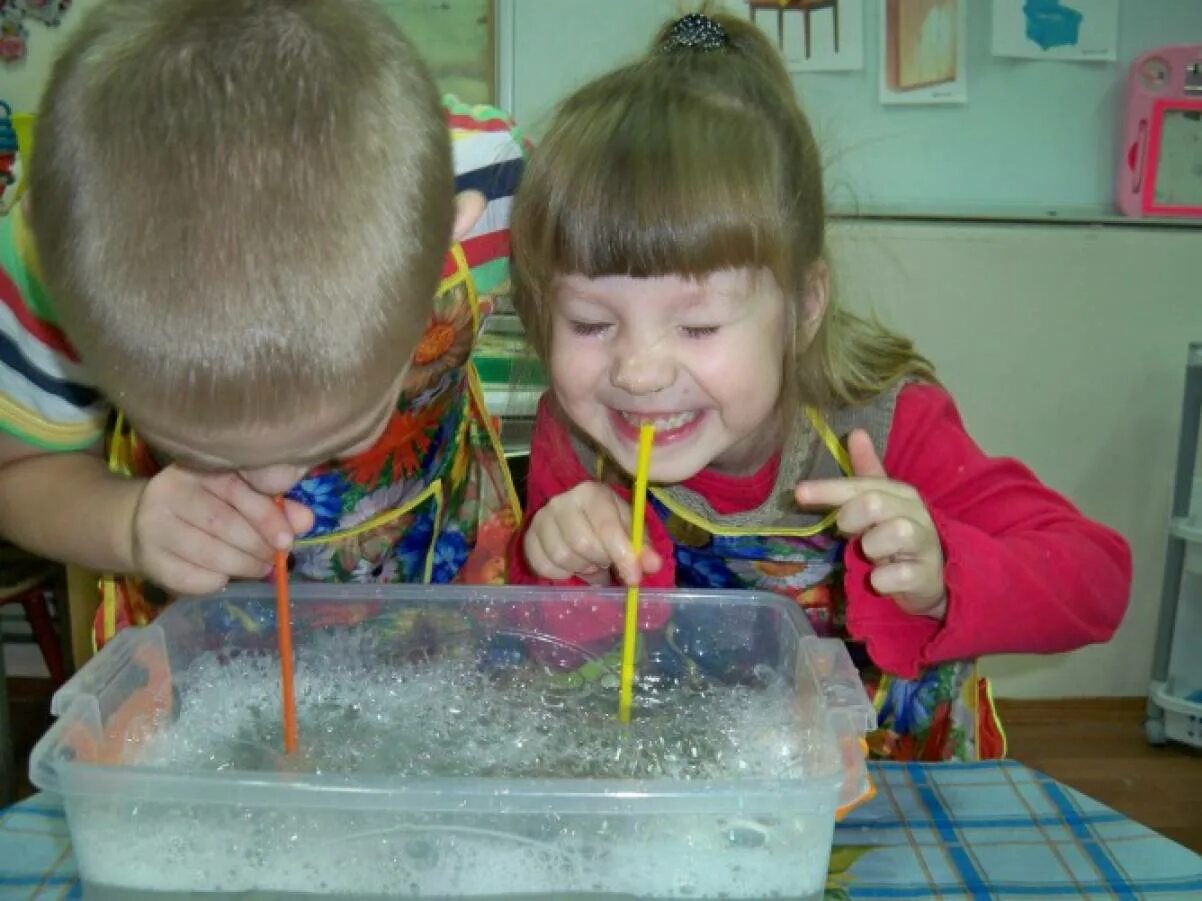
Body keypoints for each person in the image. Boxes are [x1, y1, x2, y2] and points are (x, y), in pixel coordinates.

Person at [506, 11, 1131, 761]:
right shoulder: (580, 436)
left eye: (698, 326)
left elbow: (1097, 579)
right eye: (590, 323)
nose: (638, 372)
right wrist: (554, 567)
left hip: (902, 805)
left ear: (802, 308)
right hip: (704, 792)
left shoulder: (887, 423)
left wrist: (940, 576)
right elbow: (551, 655)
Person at [0, 0, 524, 648]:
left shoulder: (495, 181)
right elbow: (17, 474)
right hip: (194, 639)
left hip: (452, 601)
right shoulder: (48, 255)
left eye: (340, 433)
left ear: (447, 236)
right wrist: (129, 524)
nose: (277, 484)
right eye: (204, 450)